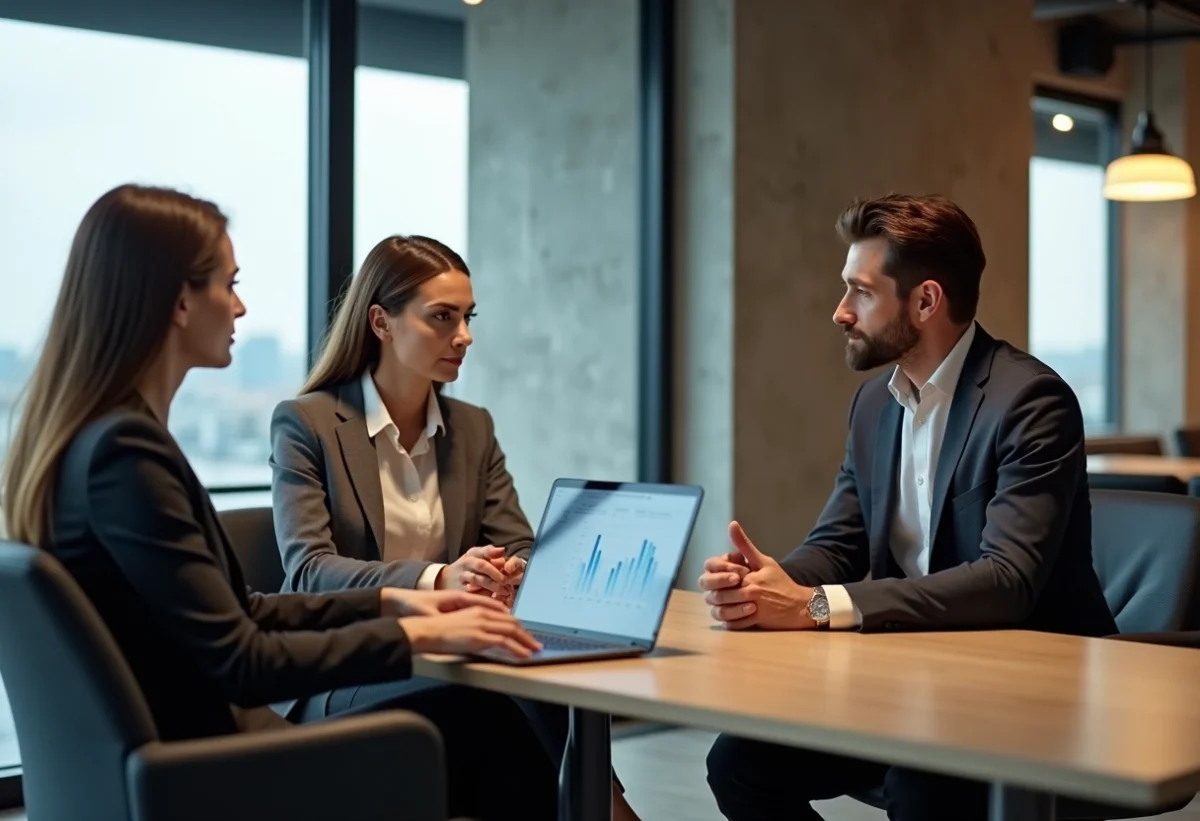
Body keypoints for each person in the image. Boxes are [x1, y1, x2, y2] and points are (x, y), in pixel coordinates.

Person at [0, 184, 557, 821]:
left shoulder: (95, 443)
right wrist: (422, 629)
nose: (240, 307)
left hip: (170, 764)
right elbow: (243, 661)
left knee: (489, 720)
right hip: (217, 770)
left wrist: (395, 597)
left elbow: (234, 614)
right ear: (180, 300)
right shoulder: (127, 454)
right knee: (484, 722)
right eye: (228, 284)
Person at [700, 194, 1117, 821]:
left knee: (925, 791)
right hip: (917, 684)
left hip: (1028, 698)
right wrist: (768, 583)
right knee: (739, 764)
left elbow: (1007, 581)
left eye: (860, 292)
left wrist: (814, 607)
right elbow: (838, 543)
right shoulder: (874, 406)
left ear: (925, 301)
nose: (840, 312)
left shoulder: (1030, 401)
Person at [270, 234, 640, 820]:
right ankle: (610, 811)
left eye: (467, 317)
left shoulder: (471, 427)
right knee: (494, 704)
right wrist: (442, 578)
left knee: (527, 670)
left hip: (455, 656)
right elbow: (311, 570)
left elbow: (516, 541)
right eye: (442, 318)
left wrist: (509, 570)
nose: (463, 335)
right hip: (347, 668)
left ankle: (603, 808)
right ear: (381, 322)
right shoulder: (308, 423)